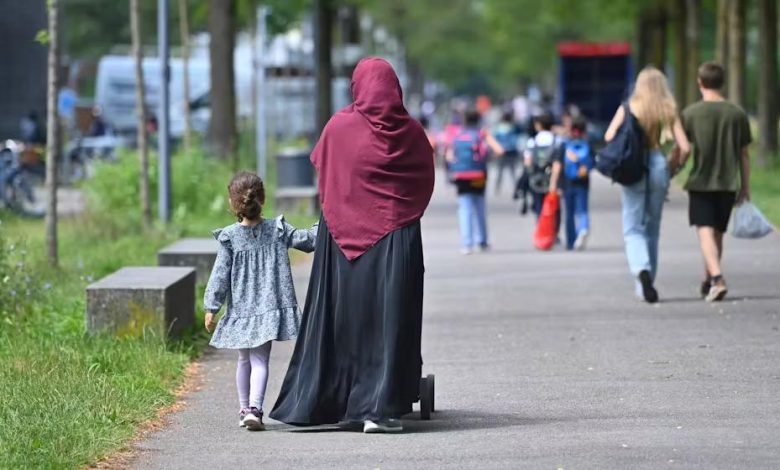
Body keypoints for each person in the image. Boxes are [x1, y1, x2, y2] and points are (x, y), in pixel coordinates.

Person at [270, 57, 435, 434]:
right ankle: (381, 407)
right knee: (389, 318)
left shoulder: (338, 128)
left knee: (343, 318)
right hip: (395, 238)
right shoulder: (410, 133)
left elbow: (324, 174)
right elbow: (422, 179)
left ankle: (329, 399)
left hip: (343, 241)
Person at [203, 171, 317, 431]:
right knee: (259, 361)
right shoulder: (277, 230)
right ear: (262, 199)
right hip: (268, 309)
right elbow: (308, 241)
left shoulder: (230, 237)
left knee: (243, 360)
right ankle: (254, 408)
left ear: (233, 203)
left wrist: (211, 307)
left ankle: (245, 409)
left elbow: (219, 275)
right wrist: (325, 222)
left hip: (241, 311)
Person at [604, 66, 690, 303]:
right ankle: (648, 281)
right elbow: (685, 147)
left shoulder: (629, 107)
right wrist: (676, 167)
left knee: (633, 228)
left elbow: (609, 136)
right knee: (652, 229)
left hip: (633, 167)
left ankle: (640, 270)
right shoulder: (668, 109)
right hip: (658, 165)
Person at [673, 62, 751, 302]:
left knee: (705, 231)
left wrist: (672, 168)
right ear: (723, 82)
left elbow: (681, 148)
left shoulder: (690, 113)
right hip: (728, 183)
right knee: (717, 234)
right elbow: (743, 154)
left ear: (700, 83)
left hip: (701, 181)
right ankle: (708, 279)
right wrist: (745, 186)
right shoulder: (737, 113)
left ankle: (717, 278)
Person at [447, 109, 504, 254]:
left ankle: (467, 244)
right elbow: (499, 150)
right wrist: (486, 160)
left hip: (461, 176)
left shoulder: (457, 134)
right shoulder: (481, 133)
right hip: (479, 175)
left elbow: (449, 156)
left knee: (464, 208)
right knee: (479, 207)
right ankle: (483, 240)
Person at [524, 112, 565, 219]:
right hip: (554, 180)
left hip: (536, 180)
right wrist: (554, 183)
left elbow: (527, 162)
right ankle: (553, 233)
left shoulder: (532, 142)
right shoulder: (557, 141)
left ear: (538, 125)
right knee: (554, 209)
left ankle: (541, 231)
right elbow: (557, 164)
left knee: (539, 207)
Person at [562, 116, 593, 250]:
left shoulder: (565, 145)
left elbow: (559, 164)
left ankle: (570, 240)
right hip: (583, 180)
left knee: (569, 212)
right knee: (583, 209)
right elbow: (593, 163)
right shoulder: (588, 144)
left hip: (568, 180)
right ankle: (583, 228)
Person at [493, 111, 521, 194]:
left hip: (501, 151)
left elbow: (495, 140)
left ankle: (497, 188)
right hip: (511, 151)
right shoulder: (514, 127)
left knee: (500, 172)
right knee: (512, 172)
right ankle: (516, 188)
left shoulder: (498, 128)